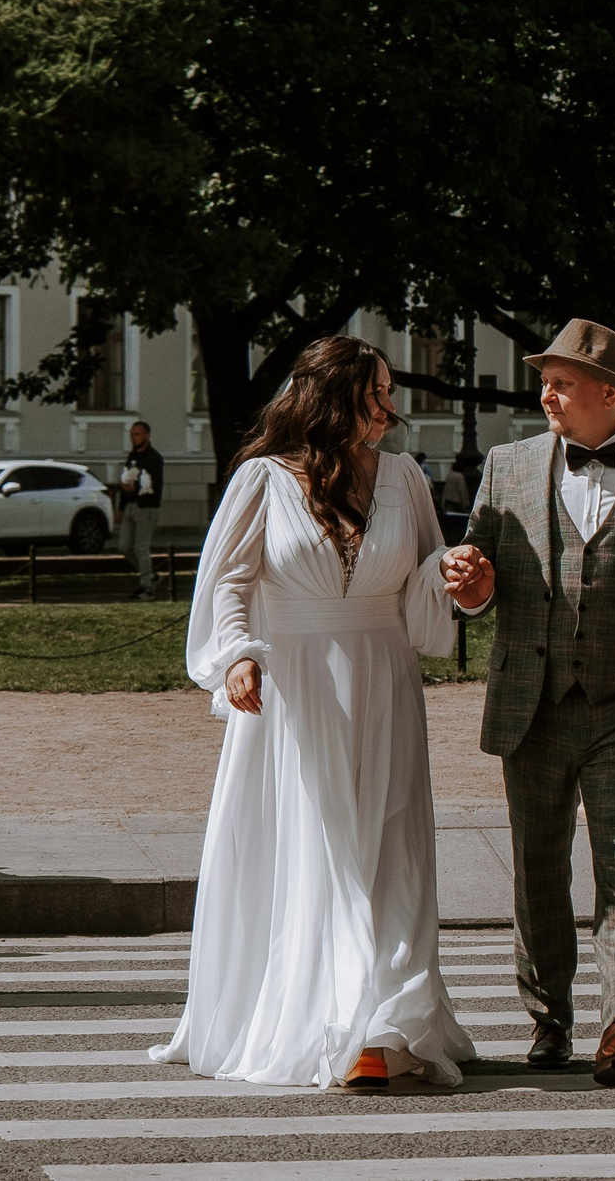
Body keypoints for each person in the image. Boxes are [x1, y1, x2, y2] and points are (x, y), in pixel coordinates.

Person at [155, 337, 475, 1092]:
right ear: (331, 398)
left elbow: (427, 581)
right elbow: (229, 580)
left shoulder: (404, 477)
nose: (389, 409)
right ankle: (330, 1019)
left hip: (384, 679)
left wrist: (458, 574)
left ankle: (386, 1022)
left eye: (389, 392)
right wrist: (237, 653)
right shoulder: (261, 479)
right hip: (292, 685)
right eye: (375, 394)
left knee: (389, 848)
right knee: (318, 849)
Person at [437, 319, 615, 1089]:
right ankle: (548, 1015)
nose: (547, 393)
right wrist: (468, 585)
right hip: (532, 700)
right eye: (546, 379)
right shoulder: (507, 465)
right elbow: (479, 573)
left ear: (610, 394)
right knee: (537, 866)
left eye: (561, 381)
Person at [118, 421, 166, 598]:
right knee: (124, 546)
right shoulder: (132, 456)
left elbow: (155, 486)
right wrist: (121, 507)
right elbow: (126, 479)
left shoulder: (154, 458)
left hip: (146, 508)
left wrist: (136, 489)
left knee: (141, 547)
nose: (134, 437)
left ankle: (146, 588)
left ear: (147, 436)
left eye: (138, 434)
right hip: (131, 506)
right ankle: (150, 575)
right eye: (132, 434)